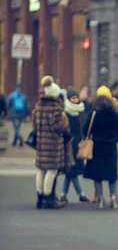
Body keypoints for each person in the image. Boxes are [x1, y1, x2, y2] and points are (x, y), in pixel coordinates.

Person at [82, 86, 118, 209]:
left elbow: (85, 131)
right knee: (112, 174)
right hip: (111, 147)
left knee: (98, 175)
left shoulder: (94, 114)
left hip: (97, 147)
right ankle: (113, 197)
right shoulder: (115, 113)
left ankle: (100, 198)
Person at [32, 76, 70, 209]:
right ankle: (48, 198)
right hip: (53, 144)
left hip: (41, 143)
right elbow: (59, 127)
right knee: (52, 170)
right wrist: (65, 120)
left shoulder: (38, 106)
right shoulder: (56, 108)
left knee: (41, 170)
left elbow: (35, 125)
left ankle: (40, 198)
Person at [58, 87, 90, 204]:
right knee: (72, 170)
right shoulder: (65, 112)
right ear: (68, 99)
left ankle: (63, 194)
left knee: (71, 171)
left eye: (77, 97)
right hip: (69, 143)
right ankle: (80, 194)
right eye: (73, 98)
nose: (76, 100)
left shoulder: (81, 110)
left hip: (79, 143)